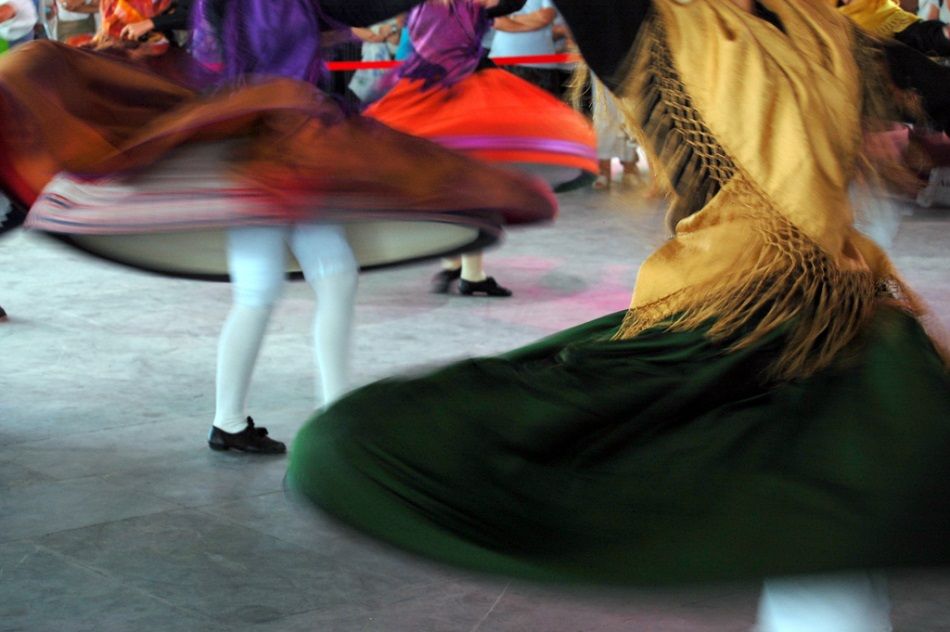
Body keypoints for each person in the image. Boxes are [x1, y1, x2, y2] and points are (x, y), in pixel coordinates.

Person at [288, 1, 950, 630]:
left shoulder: (825, 31)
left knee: (836, 545)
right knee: (819, 540)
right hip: (715, 327)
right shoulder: (642, 18)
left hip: (842, 326)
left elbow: (925, 84)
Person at [0, 0, 556, 453]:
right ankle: (304, 417)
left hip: (274, 142)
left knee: (299, 282)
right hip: (271, 145)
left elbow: (339, 21)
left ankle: (264, 418)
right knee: (299, 282)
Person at [365, 0, 596, 297]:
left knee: (448, 185)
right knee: (473, 187)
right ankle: (471, 275)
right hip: (464, 92)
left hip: (422, 89)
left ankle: (452, 264)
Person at [489, 0, 560, 96]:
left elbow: (545, 16)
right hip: (499, 59)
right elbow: (496, 21)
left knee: (539, 108)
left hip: (536, 63)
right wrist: (530, 21)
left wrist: (510, 19)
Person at [835, 0, 950, 56]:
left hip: (899, 40)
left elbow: (915, 33)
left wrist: (942, 35)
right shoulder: (821, 15)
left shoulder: (882, 9)